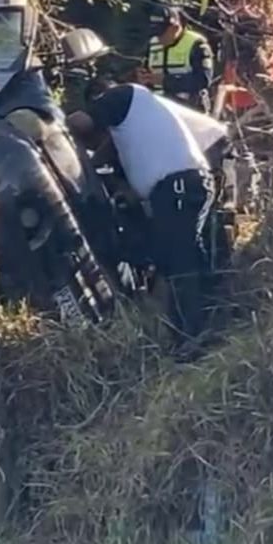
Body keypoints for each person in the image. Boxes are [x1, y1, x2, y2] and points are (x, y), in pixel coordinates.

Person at [68, 81, 216, 352]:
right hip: (183, 185)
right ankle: (208, 323)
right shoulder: (136, 122)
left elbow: (80, 123)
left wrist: (53, 128)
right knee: (186, 255)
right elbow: (105, 157)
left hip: (178, 186)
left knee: (179, 260)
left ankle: (192, 337)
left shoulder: (121, 95)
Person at [141, 5, 214, 110]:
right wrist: (143, 78)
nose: (158, 38)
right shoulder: (152, 44)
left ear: (175, 28)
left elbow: (203, 80)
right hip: (158, 109)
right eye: (155, 33)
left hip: (190, 110)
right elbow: (148, 76)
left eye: (161, 33)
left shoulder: (196, 44)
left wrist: (166, 81)